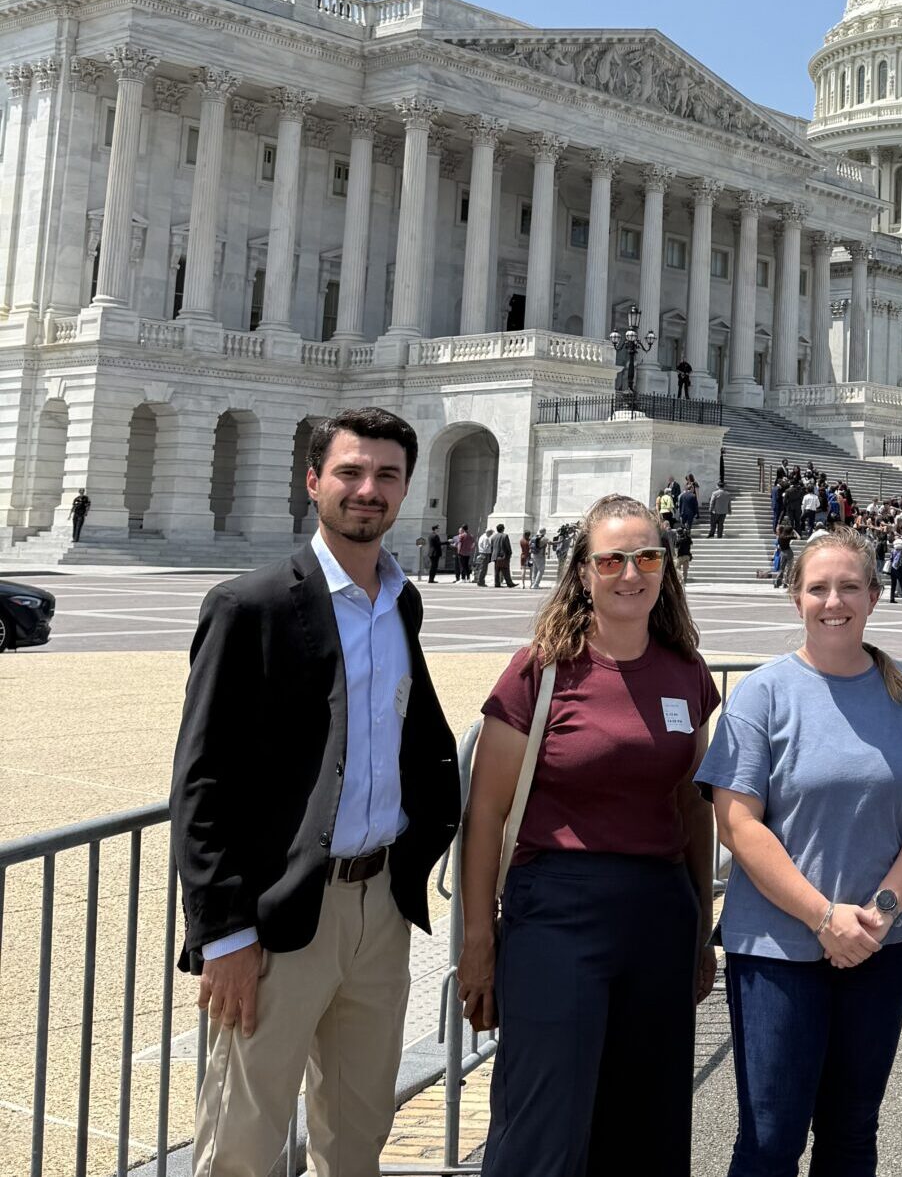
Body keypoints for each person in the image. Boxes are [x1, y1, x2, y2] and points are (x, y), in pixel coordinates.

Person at [171, 407, 460, 1177]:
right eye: (350, 473)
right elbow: (201, 781)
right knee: (242, 1141)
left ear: (405, 490)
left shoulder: (401, 601)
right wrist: (222, 935)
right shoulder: (250, 605)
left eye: (386, 476)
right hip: (278, 913)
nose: (368, 490)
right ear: (313, 482)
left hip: (380, 905)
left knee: (359, 1133)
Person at [458, 493, 720, 1176]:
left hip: (660, 910)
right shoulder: (540, 669)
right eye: (612, 559)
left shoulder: (686, 671)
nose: (631, 573)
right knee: (543, 1127)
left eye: (647, 557)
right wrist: (479, 941)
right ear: (582, 572)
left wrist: (701, 924)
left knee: (647, 1125)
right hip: (558, 910)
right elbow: (485, 814)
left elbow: (693, 807)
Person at [699, 527, 902, 1176]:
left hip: (881, 942)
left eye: (849, 587)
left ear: (874, 596)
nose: (833, 601)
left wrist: (881, 912)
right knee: (770, 1139)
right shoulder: (762, 693)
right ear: (797, 599)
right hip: (777, 948)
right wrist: (823, 917)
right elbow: (738, 824)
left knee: (851, 1130)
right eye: (818, 588)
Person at [492, 524, 516, 588]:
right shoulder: (505, 536)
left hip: (495, 556)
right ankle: (509, 583)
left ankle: (497, 583)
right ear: (502, 529)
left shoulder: (493, 537)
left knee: (497, 570)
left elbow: (492, 546)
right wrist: (510, 553)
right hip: (503, 556)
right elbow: (507, 546)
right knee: (505, 569)